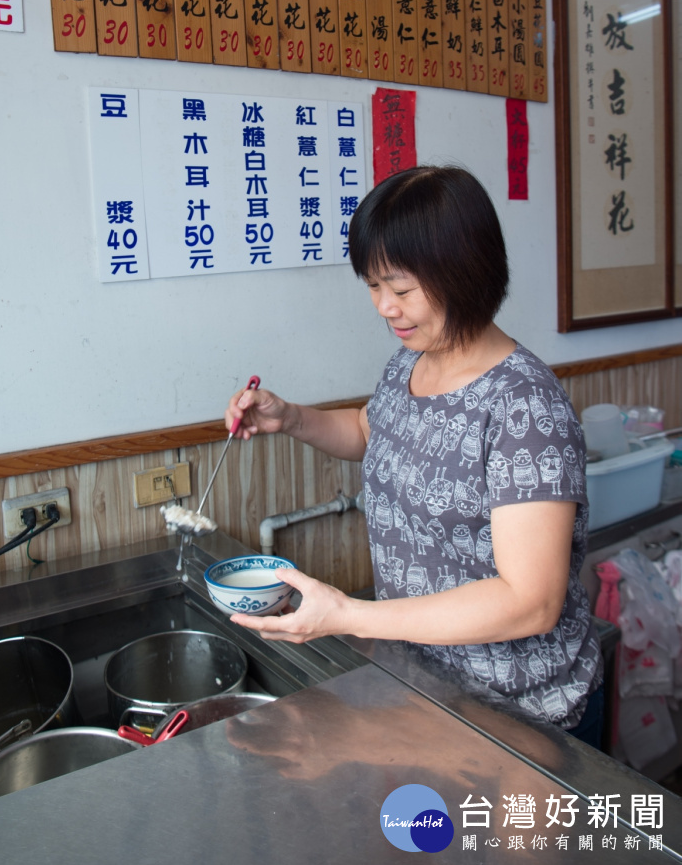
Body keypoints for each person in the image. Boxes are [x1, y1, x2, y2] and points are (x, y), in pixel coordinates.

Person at [225, 166, 603, 739]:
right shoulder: (412, 362)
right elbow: (372, 432)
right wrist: (292, 418)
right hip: (427, 689)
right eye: (373, 286)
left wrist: (350, 616)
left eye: (400, 289)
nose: (383, 306)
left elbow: (531, 601)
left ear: (465, 271)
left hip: (523, 715)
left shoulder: (524, 405)